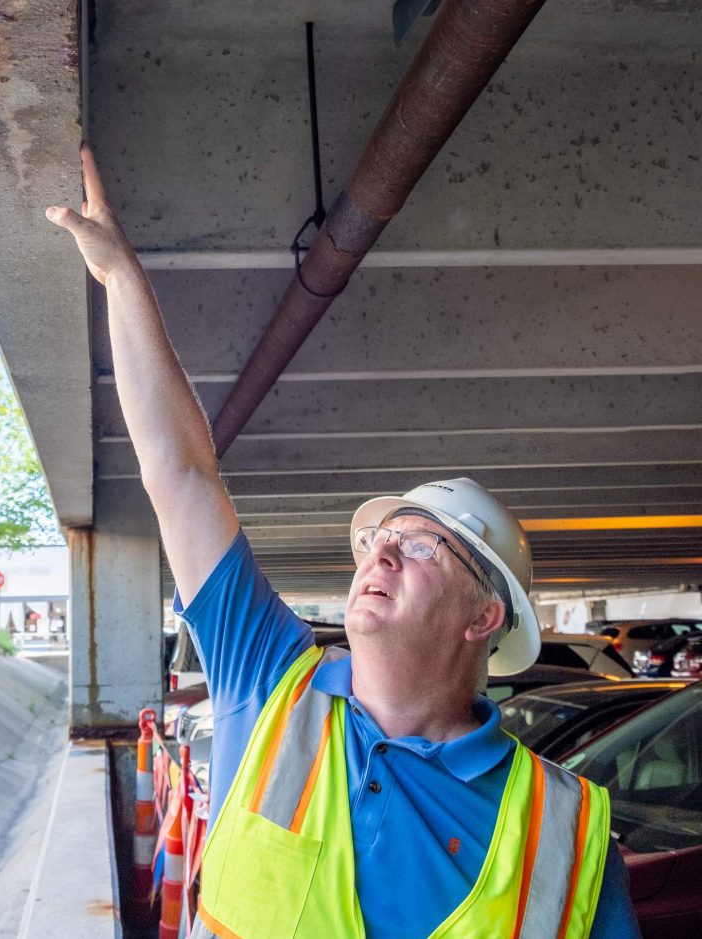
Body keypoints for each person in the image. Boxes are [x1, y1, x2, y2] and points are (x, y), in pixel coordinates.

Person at [47, 145, 640, 939]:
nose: (381, 554)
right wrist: (121, 277)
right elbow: (181, 474)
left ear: (484, 614)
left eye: (423, 547)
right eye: (379, 540)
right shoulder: (266, 679)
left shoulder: (565, 834)